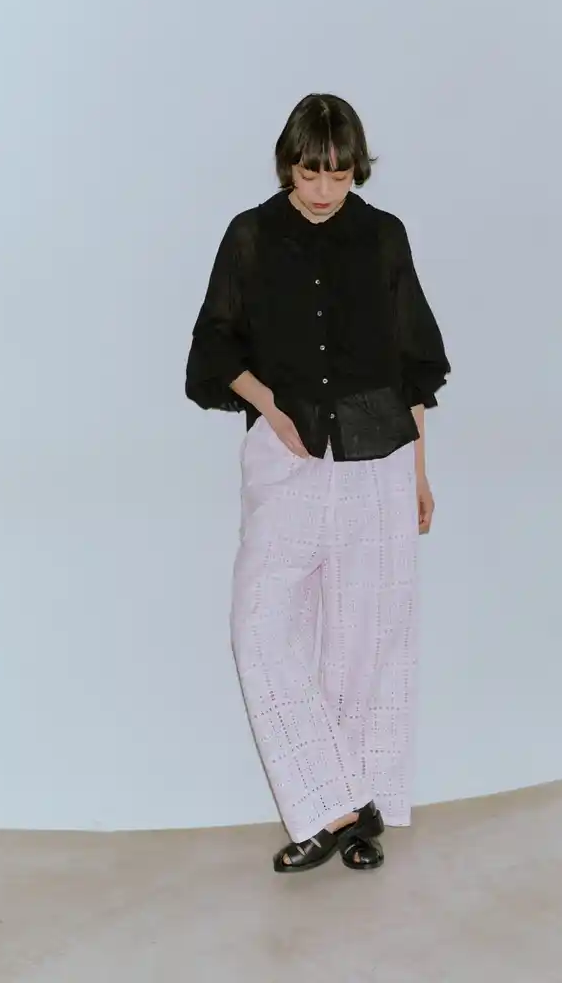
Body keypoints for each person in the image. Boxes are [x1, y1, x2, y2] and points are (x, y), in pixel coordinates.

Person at [185, 93, 450, 874]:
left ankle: (353, 815)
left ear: (355, 169)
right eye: (310, 174)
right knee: (260, 627)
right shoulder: (251, 235)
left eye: (339, 175)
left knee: (362, 637)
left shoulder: (382, 236)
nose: (325, 190)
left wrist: (420, 473)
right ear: (288, 165)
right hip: (287, 455)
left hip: (379, 456)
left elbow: (413, 364)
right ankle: (334, 802)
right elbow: (212, 347)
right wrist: (271, 409)